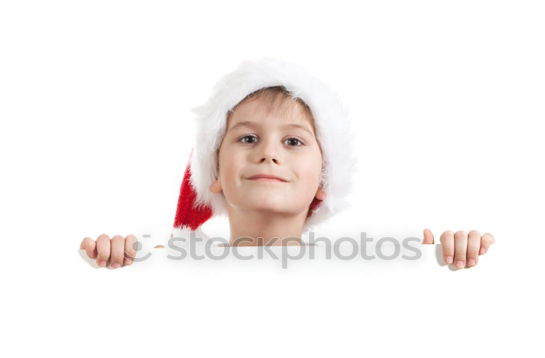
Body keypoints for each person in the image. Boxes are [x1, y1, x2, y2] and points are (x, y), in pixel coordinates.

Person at [80, 58, 495, 269]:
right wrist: (114, 257)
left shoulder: (365, 266)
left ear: (323, 182)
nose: (269, 153)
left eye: (293, 141)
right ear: (214, 175)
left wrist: (454, 252)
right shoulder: (172, 265)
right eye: (247, 138)